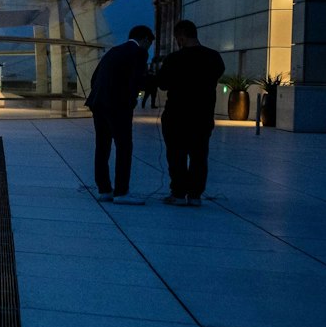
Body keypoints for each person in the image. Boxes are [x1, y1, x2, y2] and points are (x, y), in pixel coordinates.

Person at [156, 19, 225, 206]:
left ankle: (178, 193)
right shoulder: (214, 57)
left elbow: (162, 84)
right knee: (199, 156)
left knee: (176, 155)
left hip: (176, 115)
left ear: (181, 37)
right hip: (202, 115)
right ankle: (195, 195)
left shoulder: (174, 59)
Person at [87, 25, 153, 204]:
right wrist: (131, 100)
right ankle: (121, 191)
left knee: (102, 146)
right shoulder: (139, 53)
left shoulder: (113, 51)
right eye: (149, 43)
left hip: (99, 103)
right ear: (145, 39)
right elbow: (137, 81)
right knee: (124, 147)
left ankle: (104, 189)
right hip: (118, 106)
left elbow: (94, 78)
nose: (149, 48)